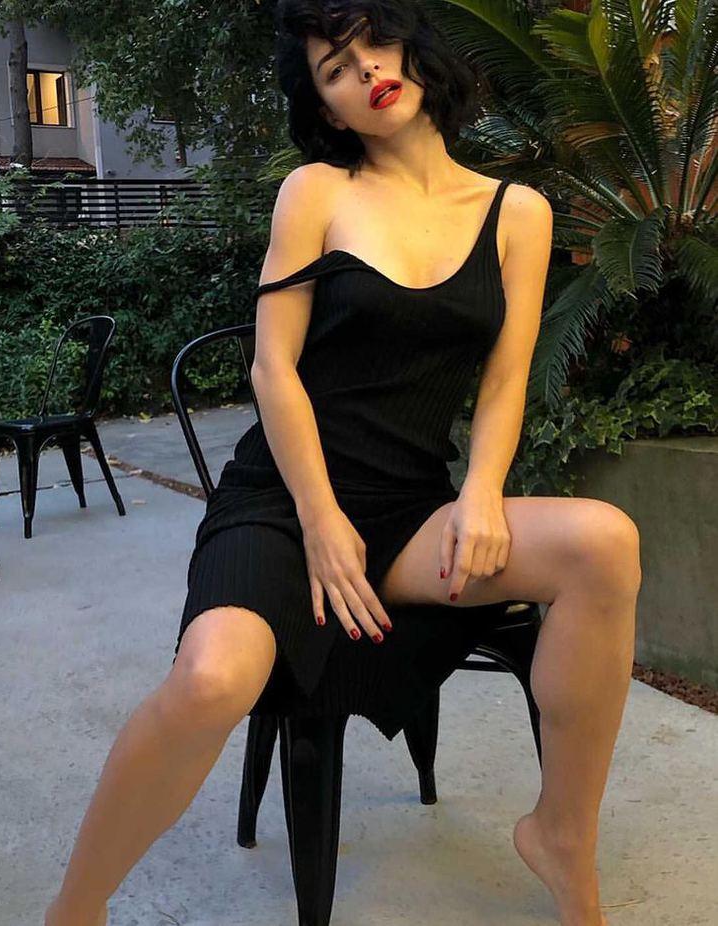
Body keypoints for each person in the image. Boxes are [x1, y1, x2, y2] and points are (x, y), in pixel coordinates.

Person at [45, 3, 641, 925]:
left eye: (374, 44)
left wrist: (483, 491)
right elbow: (272, 368)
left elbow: (505, 378)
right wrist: (321, 523)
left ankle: (561, 832)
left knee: (604, 543)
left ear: (412, 48)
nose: (364, 69)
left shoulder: (517, 213)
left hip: (409, 511)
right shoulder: (316, 192)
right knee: (212, 680)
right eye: (334, 68)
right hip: (283, 502)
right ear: (327, 108)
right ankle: (74, 910)